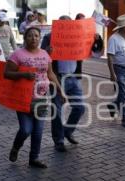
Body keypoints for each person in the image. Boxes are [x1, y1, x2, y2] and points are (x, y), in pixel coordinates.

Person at [41, 15, 103, 152]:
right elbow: (40, 56)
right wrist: (47, 51)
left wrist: (97, 40)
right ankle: (59, 141)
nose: (67, 29)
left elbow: (96, 52)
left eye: (69, 25)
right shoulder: (49, 37)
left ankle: (67, 131)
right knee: (57, 111)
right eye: (63, 25)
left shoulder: (78, 37)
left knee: (80, 108)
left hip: (74, 78)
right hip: (58, 78)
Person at [4, 27, 63, 168]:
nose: (34, 38)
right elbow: (6, 73)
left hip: (42, 98)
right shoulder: (17, 54)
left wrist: (61, 91)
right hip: (24, 99)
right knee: (25, 130)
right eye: (30, 36)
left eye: (36, 36)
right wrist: (23, 75)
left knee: (37, 132)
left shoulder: (44, 54)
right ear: (25, 38)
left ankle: (34, 158)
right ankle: (16, 147)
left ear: (39, 38)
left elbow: (51, 74)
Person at [106, 14, 125, 128]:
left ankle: (114, 105)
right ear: (124, 27)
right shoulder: (113, 39)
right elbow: (110, 57)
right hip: (119, 70)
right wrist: (112, 73)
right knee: (123, 95)